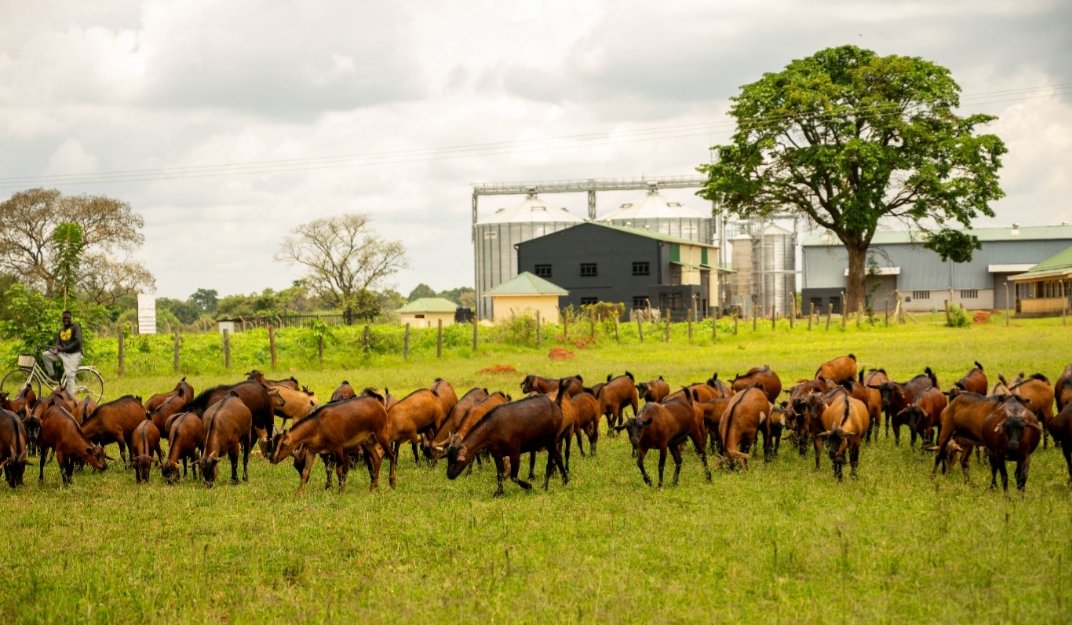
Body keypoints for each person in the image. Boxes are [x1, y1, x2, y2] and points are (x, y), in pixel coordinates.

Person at [41, 310, 82, 395]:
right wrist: (56, 349)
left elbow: (78, 342)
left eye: (68, 318)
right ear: (62, 319)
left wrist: (63, 349)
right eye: (64, 318)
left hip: (74, 354)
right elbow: (58, 342)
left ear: (71, 318)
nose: (66, 319)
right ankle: (52, 377)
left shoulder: (76, 326)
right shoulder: (61, 330)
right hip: (63, 353)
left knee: (70, 375)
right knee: (45, 355)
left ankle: (71, 399)